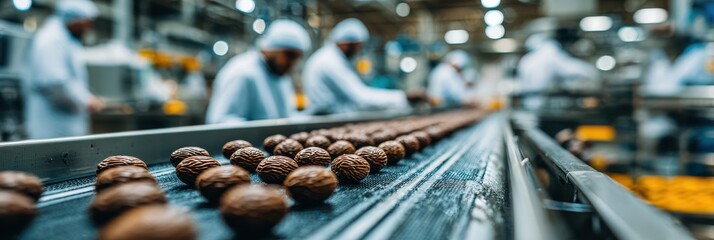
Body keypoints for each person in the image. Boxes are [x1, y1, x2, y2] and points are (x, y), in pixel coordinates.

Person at [23, 0, 104, 139]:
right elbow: (54, 81)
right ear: (76, 20)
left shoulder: (66, 39)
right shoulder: (51, 39)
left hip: (66, 123)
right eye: (87, 22)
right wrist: (86, 100)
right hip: (51, 125)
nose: (88, 28)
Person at [205, 20, 311, 123]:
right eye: (290, 55)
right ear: (270, 49)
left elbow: (286, 116)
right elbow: (220, 121)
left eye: (298, 57)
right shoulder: (243, 72)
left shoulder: (281, 76)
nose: (293, 63)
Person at [302, 18, 408, 115]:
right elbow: (360, 97)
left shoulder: (333, 58)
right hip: (326, 117)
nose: (359, 51)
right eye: (358, 46)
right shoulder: (330, 62)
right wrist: (403, 97)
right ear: (347, 43)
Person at [517, 33, 598, 110]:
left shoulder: (525, 60)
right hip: (543, 104)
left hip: (528, 102)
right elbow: (568, 68)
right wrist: (592, 71)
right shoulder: (549, 52)